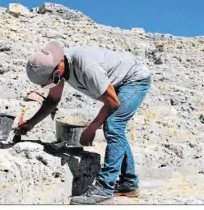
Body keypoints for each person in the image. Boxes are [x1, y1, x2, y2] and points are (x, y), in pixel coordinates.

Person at [14, 40, 151, 205]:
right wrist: (30, 123)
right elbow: (52, 101)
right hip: (118, 81)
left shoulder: (85, 67)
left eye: (48, 82)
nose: (49, 85)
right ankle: (128, 183)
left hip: (134, 79)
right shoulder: (59, 65)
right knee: (116, 128)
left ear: (57, 71)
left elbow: (113, 103)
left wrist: (92, 128)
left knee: (114, 125)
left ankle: (104, 190)